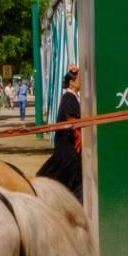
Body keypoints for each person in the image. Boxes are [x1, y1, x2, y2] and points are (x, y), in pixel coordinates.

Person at [37, 66, 83, 201]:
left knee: (61, 172)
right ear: (72, 82)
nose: (81, 82)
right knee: (71, 173)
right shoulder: (69, 98)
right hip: (67, 144)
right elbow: (72, 120)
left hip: (66, 144)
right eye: (79, 79)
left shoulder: (70, 97)